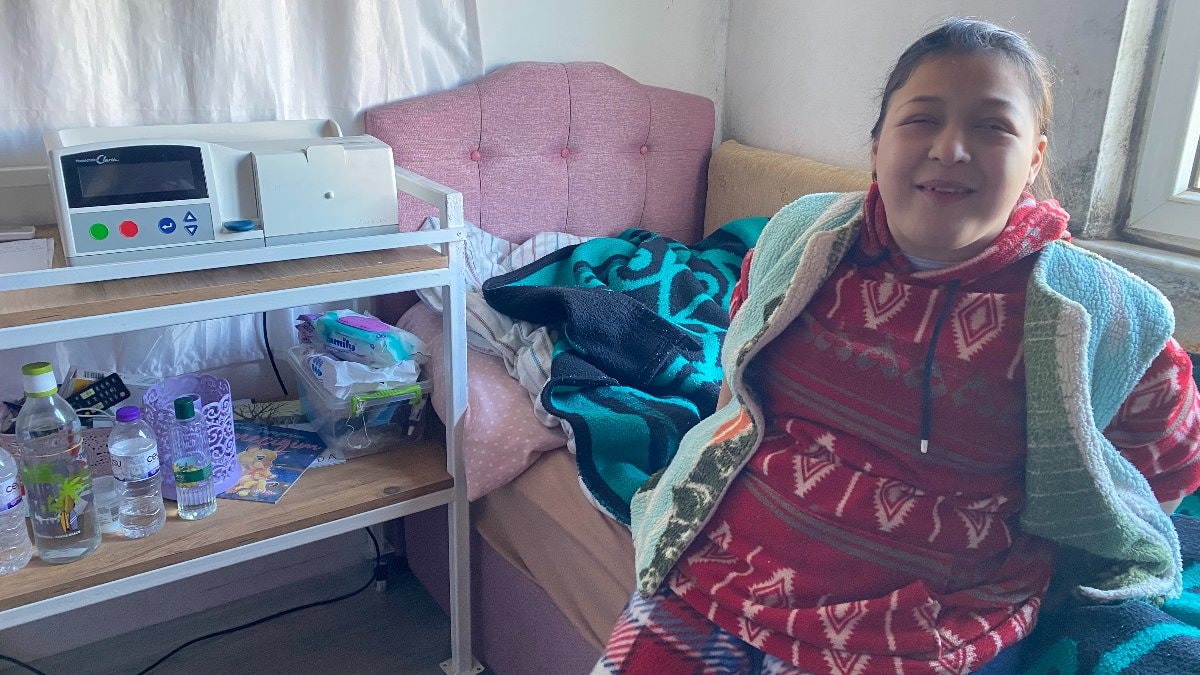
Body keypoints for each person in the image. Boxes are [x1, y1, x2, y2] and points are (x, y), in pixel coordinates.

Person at [594, 18, 1200, 675]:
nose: (951, 147)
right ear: (877, 145)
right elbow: (738, 375)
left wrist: (1074, 540)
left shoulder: (1098, 313)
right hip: (721, 575)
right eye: (922, 119)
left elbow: (1167, 461)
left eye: (992, 126)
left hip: (922, 631)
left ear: (1033, 158)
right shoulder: (799, 241)